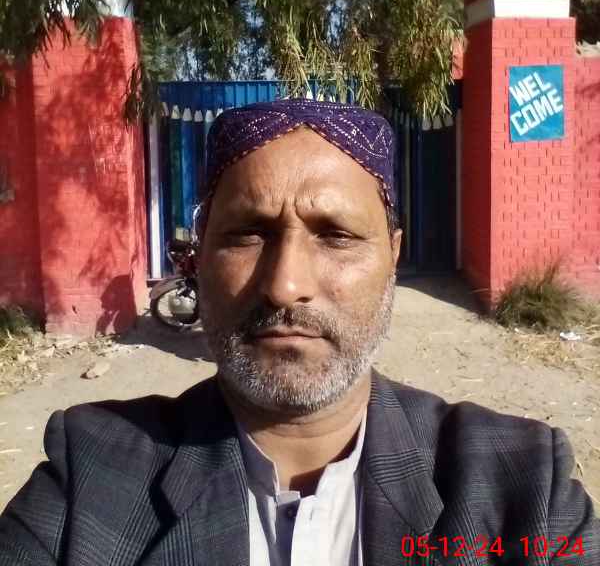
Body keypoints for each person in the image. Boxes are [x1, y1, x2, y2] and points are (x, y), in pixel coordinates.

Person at [0, 97, 598, 566]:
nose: (285, 285)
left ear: (392, 255)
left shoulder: (524, 486)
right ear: (200, 253)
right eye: (247, 234)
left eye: (336, 235)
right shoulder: (92, 478)